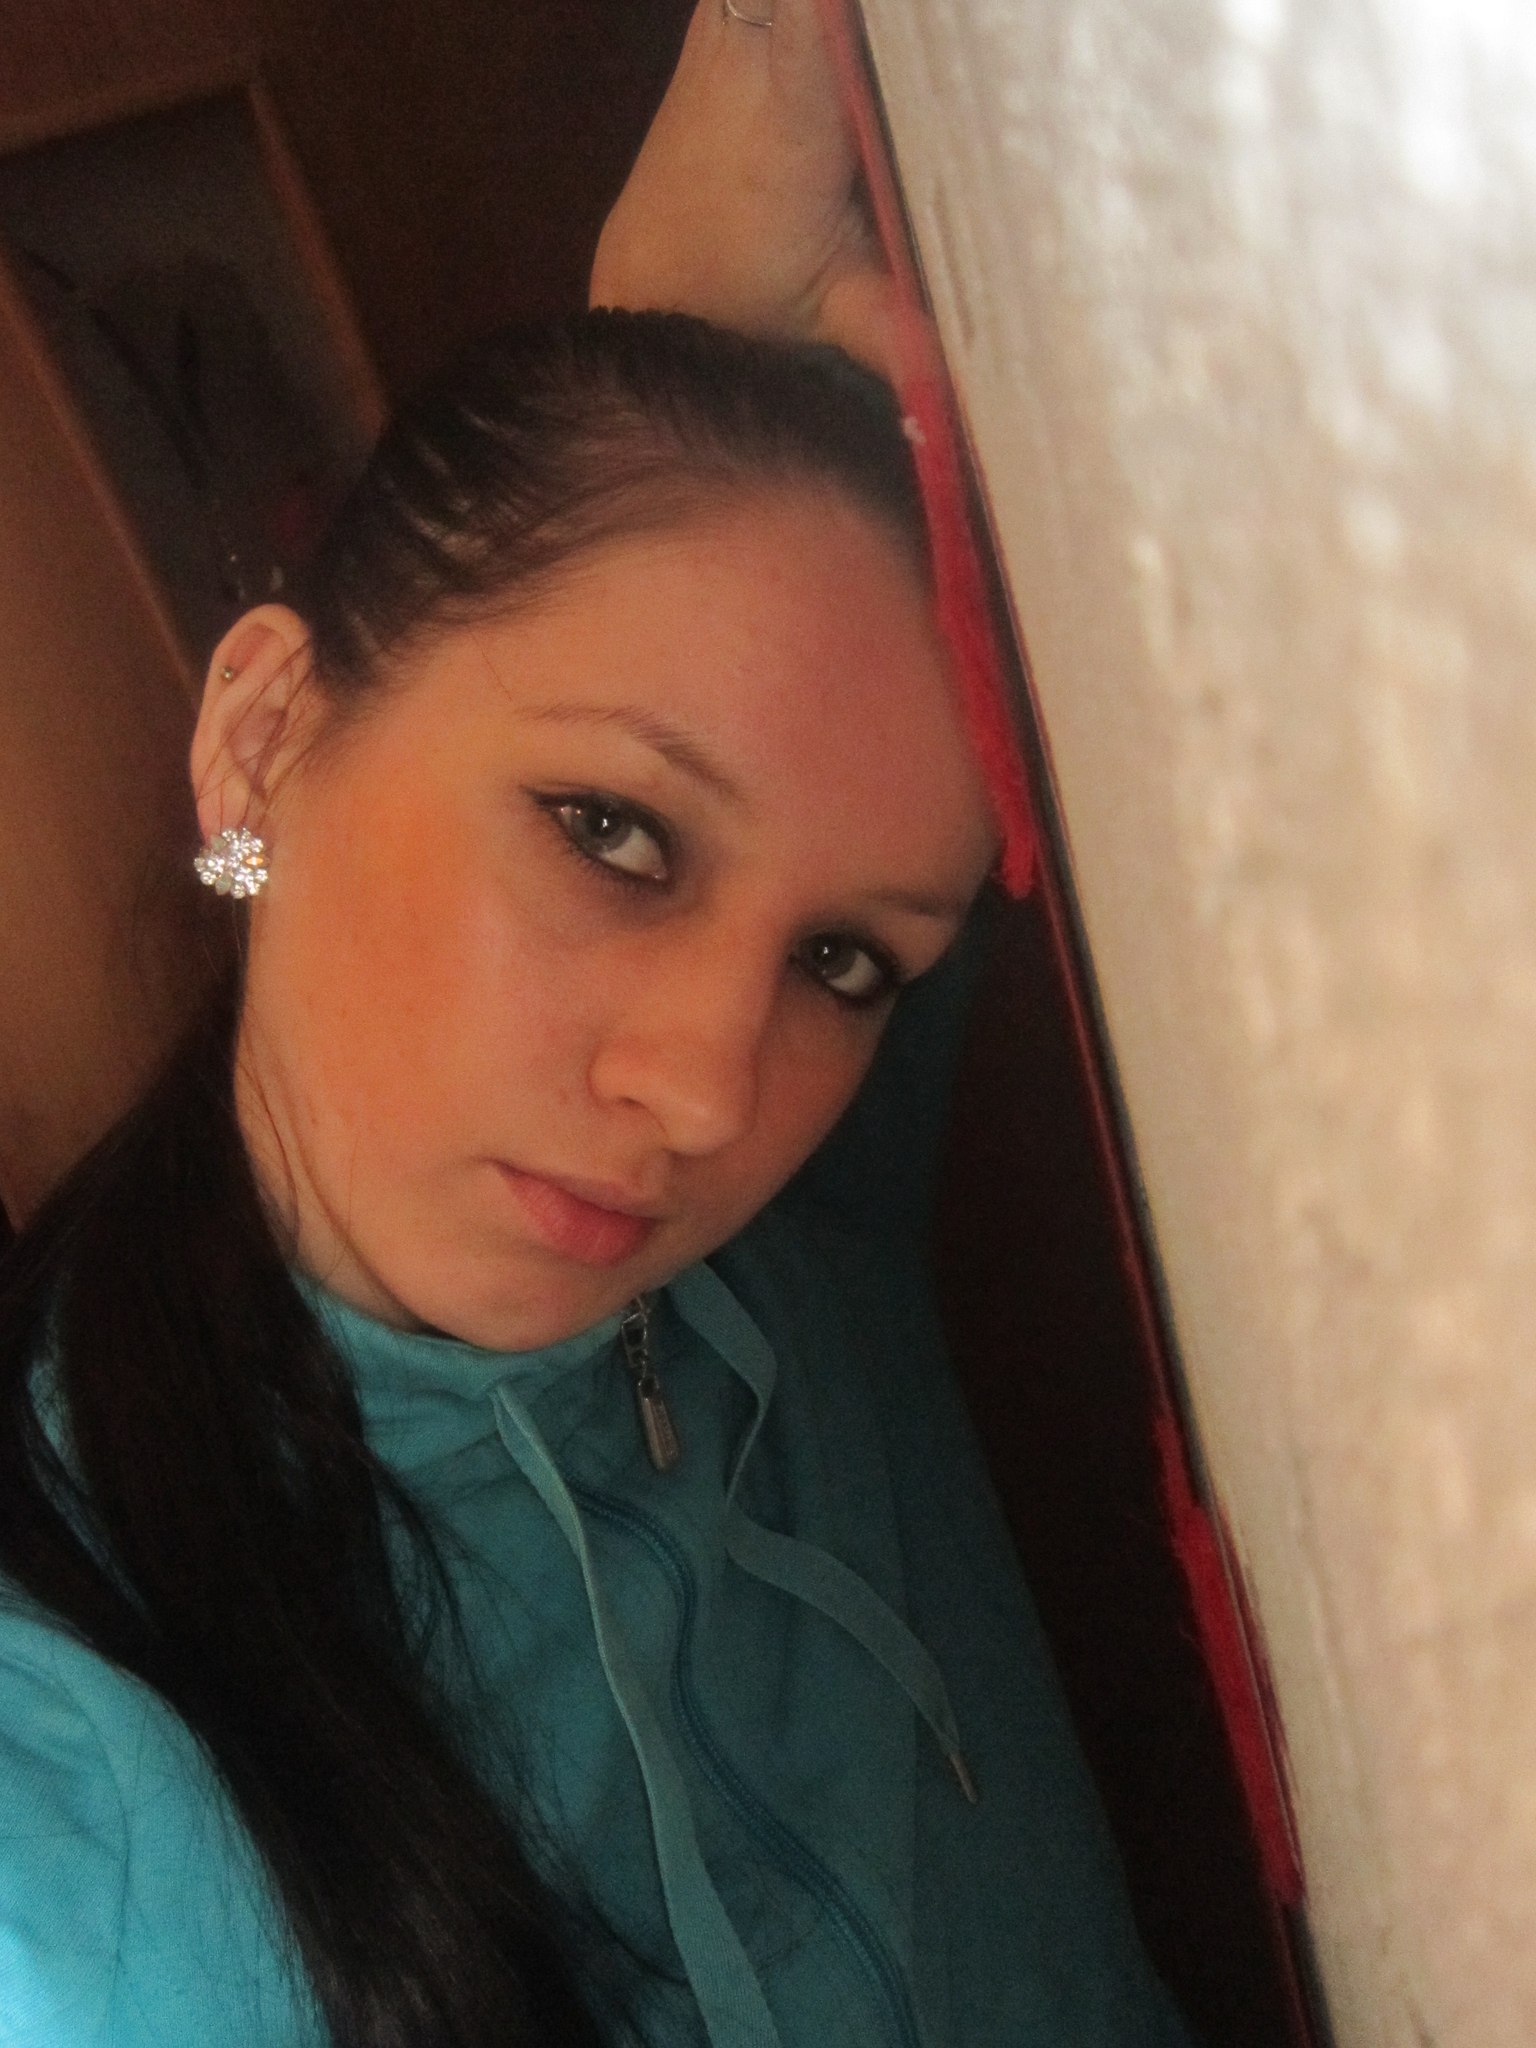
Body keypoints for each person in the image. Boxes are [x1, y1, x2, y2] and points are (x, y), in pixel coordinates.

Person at [0, 10, 1195, 2048]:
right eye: (613, 833)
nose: (710, 1094)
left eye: (846, 962)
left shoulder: (803, 1231)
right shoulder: (67, 1791)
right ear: (264, 733)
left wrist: (672, 308)